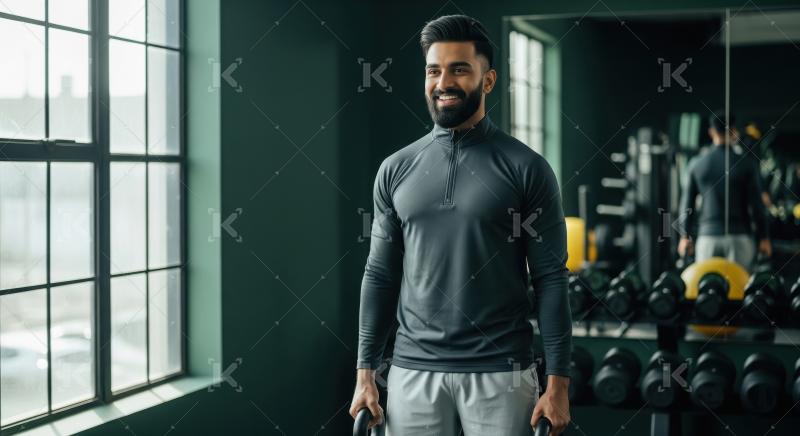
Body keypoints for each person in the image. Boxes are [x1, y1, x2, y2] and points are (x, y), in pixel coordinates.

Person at [349, 14, 572, 436]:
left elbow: (550, 278)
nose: (443, 82)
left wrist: (558, 384)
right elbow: (379, 275)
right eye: (433, 70)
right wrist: (365, 373)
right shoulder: (395, 169)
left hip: (501, 372)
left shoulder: (527, 168)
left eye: (459, 70)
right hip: (412, 371)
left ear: (488, 81)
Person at [677, 110, 771, 270]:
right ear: (734, 132)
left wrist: (684, 236)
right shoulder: (747, 164)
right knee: (739, 285)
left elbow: (687, 204)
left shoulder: (697, 164)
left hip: (708, 238)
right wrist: (764, 237)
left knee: (707, 283)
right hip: (739, 238)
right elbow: (757, 205)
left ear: (711, 132)